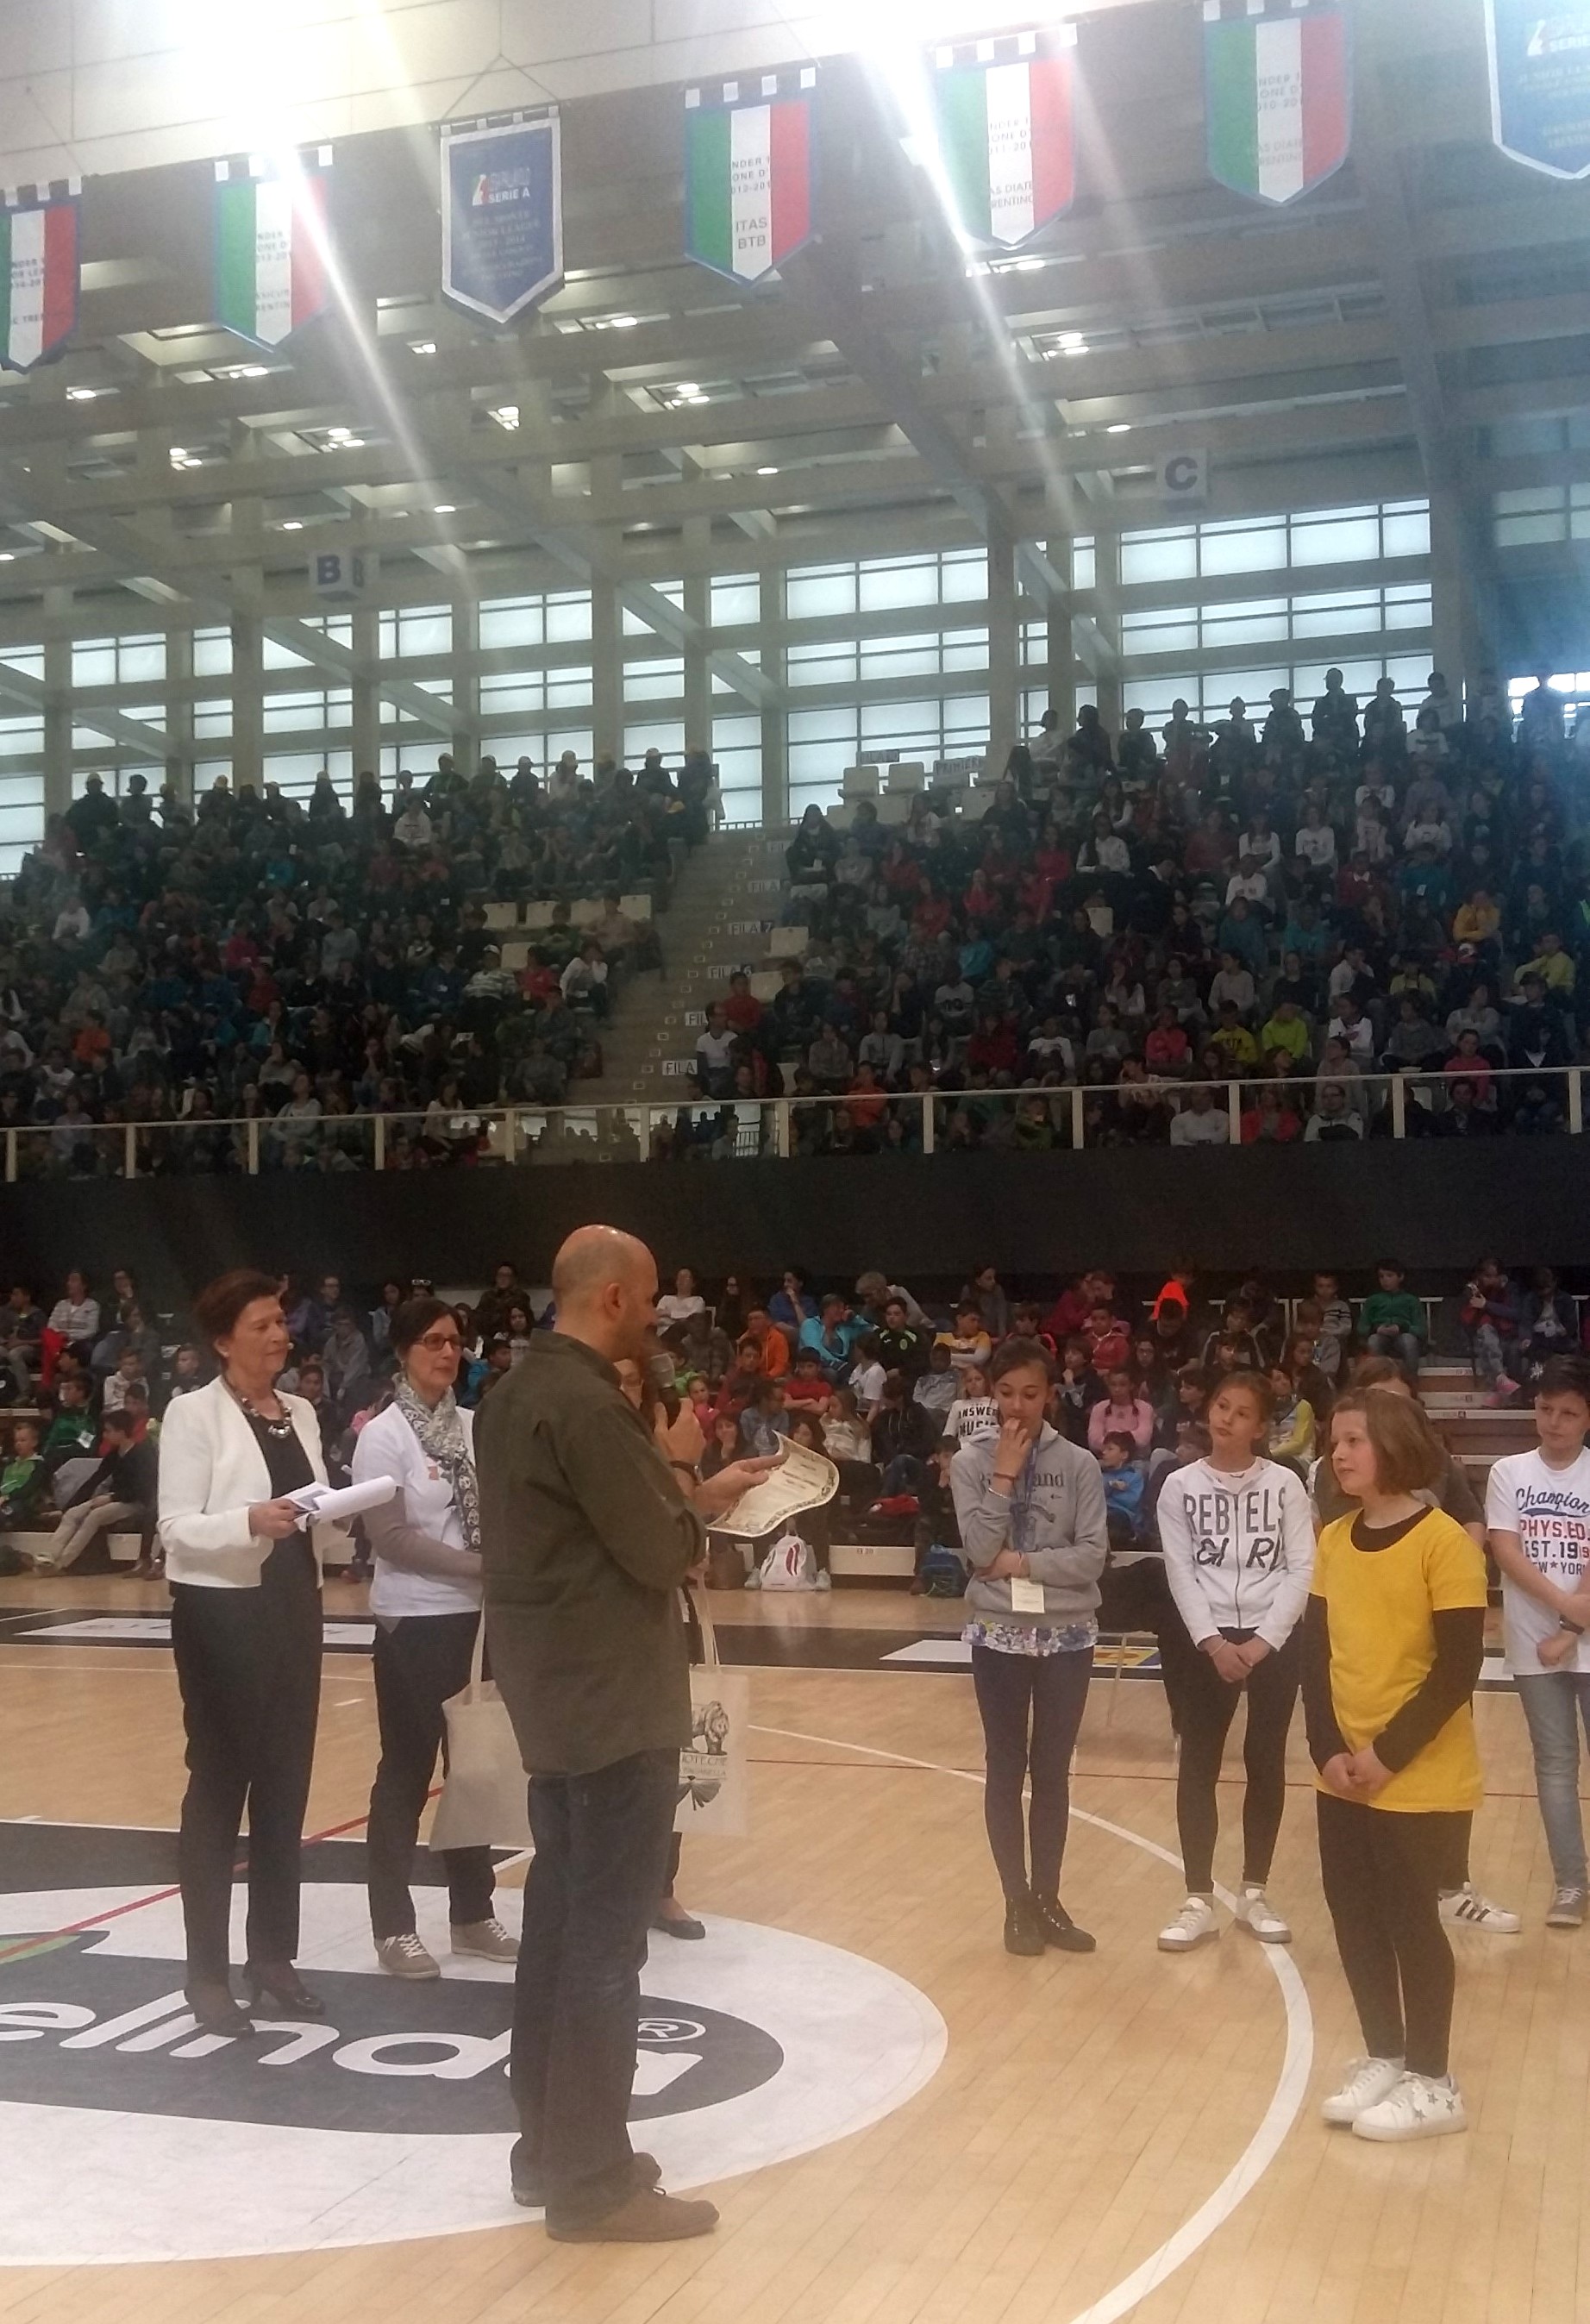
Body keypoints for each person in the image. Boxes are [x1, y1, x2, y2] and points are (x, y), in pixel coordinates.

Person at [476, 1225, 777, 2244]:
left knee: (557, 1935)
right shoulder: (591, 1404)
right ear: (611, 1298)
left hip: (552, 1701)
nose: (654, 1317)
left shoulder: (508, 1395)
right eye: (647, 1299)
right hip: (614, 1703)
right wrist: (685, 1479)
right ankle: (592, 2181)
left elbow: (578, 1533)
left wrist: (682, 1492)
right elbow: (655, 1550)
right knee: (605, 1952)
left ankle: (544, 2149)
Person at [156, 1270, 338, 2036]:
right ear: (224, 1341)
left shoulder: (300, 1411)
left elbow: (310, 1508)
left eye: (281, 1322)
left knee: (285, 1787)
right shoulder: (191, 1413)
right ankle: (205, 1973)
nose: (278, 1335)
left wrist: (338, 1511)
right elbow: (175, 1527)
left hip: (294, 1608)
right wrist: (249, 1520)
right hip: (220, 1616)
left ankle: (272, 1956)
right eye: (262, 1324)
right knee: (219, 1788)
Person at [1306, 1391, 1487, 2142]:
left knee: (1411, 1918)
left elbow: (1458, 1669)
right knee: (1354, 1913)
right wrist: (1327, 1749)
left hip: (1419, 1771)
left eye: (1355, 1439)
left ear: (1395, 1445)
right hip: (1343, 1773)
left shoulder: (1445, 1543)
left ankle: (1435, 2082)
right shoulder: (1333, 1539)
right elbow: (1316, 1654)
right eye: (1335, 1440)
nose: (1340, 1452)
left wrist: (1385, 1755)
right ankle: (1385, 2053)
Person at [352, 1296, 518, 1977]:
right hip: (414, 1622)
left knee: (474, 1771)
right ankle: (393, 1926)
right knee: (406, 1771)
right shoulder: (383, 1436)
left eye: (454, 1341)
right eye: (432, 1341)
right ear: (403, 1351)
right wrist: (483, 1565)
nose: (447, 1352)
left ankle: (472, 1914)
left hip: (476, 1622)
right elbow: (390, 1537)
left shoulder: (476, 1427)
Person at [949, 1335, 1108, 1958]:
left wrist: (1019, 1563)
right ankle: (1015, 1902)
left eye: (1031, 1394)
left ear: (1050, 1395)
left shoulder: (1080, 1464)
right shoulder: (970, 1461)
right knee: (1005, 1765)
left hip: (1068, 1633)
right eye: (1007, 1393)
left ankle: (1048, 1898)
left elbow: (1092, 1557)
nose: (1017, 1406)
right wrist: (1004, 1475)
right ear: (992, 1393)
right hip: (999, 1633)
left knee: (1052, 1770)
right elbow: (977, 1551)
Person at [1155, 1372, 1314, 1952]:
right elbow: (1180, 1571)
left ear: (1261, 1427)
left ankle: (1255, 1891)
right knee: (1199, 1760)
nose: (1226, 1417)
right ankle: (1197, 1897)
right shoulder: (1178, 1486)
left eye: (1242, 1412)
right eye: (1222, 1405)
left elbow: (1302, 1566)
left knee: (1265, 1758)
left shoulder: (1286, 1484)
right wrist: (1214, 1642)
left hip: (1274, 1638)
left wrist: (1265, 1641)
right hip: (1206, 1640)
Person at [1485, 1357, 1590, 1928]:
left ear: (1587, 1417)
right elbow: (1506, 1551)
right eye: (1546, 1409)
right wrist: (1565, 1610)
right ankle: (1571, 1883)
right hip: (1532, 1644)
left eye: (1569, 1412)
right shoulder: (1508, 1472)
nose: (1554, 1422)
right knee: (1555, 1764)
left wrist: (1571, 1629)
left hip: (1577, 1639)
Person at [35, 1407, 157, 1574]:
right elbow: (94, 1481)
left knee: (95, 1516)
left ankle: (62, 1563)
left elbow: (142, 1489)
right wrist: (66, 1508)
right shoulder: (114, 1454)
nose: (105, 1435)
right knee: (72, 1514)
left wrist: (111, 1498)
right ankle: (49, 1556)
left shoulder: (142, 1454)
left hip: (136, 1502)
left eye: (109, 1431)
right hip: (114, 1498)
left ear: (121, 1432)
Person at [1361, 1263, 1426, 1381]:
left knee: (1409, 1341)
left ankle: (1411, 1382)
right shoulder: (1372, 1300)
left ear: (1400, 1277)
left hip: (1403, 1336)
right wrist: (1376, 1329)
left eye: (1389, 1276)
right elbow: (1362, 1327)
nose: (1385, 1280)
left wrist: (1402, 1328)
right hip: (1380, 1335)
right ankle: (1377, 1382)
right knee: (1373, 1340)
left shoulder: (1411, 1300)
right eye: (1381, 1276)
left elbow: (1421, 1329)